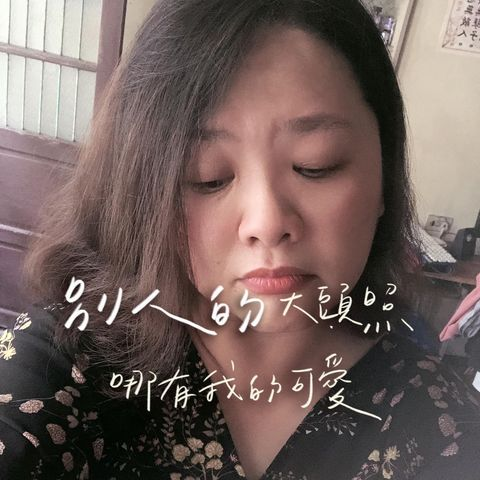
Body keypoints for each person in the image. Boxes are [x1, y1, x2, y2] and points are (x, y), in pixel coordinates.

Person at [0, 0, 479, 478]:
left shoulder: (445, 427)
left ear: (384, 179)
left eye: (316, 164)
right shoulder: (67, 361)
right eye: (207, 177)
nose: (266, 223)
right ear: (144, 194)